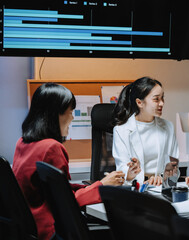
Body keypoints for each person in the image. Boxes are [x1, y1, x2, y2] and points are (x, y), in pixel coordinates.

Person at [12, 83, 125, 240]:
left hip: (28, 227)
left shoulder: (22, 142)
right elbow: (66, 204)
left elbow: (55, 189)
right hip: (51, 231)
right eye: (70, 112)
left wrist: (94, 186)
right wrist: (102, 186)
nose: (72, 118)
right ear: (55, 114)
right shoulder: (52, 148)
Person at [112, 76, 179, 186]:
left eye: (162, 98)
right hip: (135, 189)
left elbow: (173, 166)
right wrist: (132, 172)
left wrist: (162, 178)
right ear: (139, 103)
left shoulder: (168, 127)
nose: (162, 103)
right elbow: (122, 170)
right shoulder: (121, 130)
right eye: (156, 99)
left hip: (160, 188)